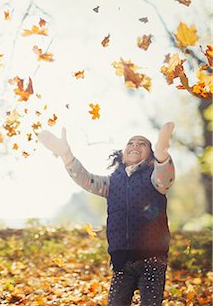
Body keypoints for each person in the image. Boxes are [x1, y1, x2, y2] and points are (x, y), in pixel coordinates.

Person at [38, 122, 175, 306]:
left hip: (152, 258)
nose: (135, 145)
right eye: (131, 143)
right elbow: (87, 180)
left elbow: (164, 178)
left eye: (142, 144)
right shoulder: (112, 183)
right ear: (122, 154)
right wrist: (67, 155)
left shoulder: (153, 177)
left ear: (150, 156)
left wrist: (161, 153)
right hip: (121, 261)